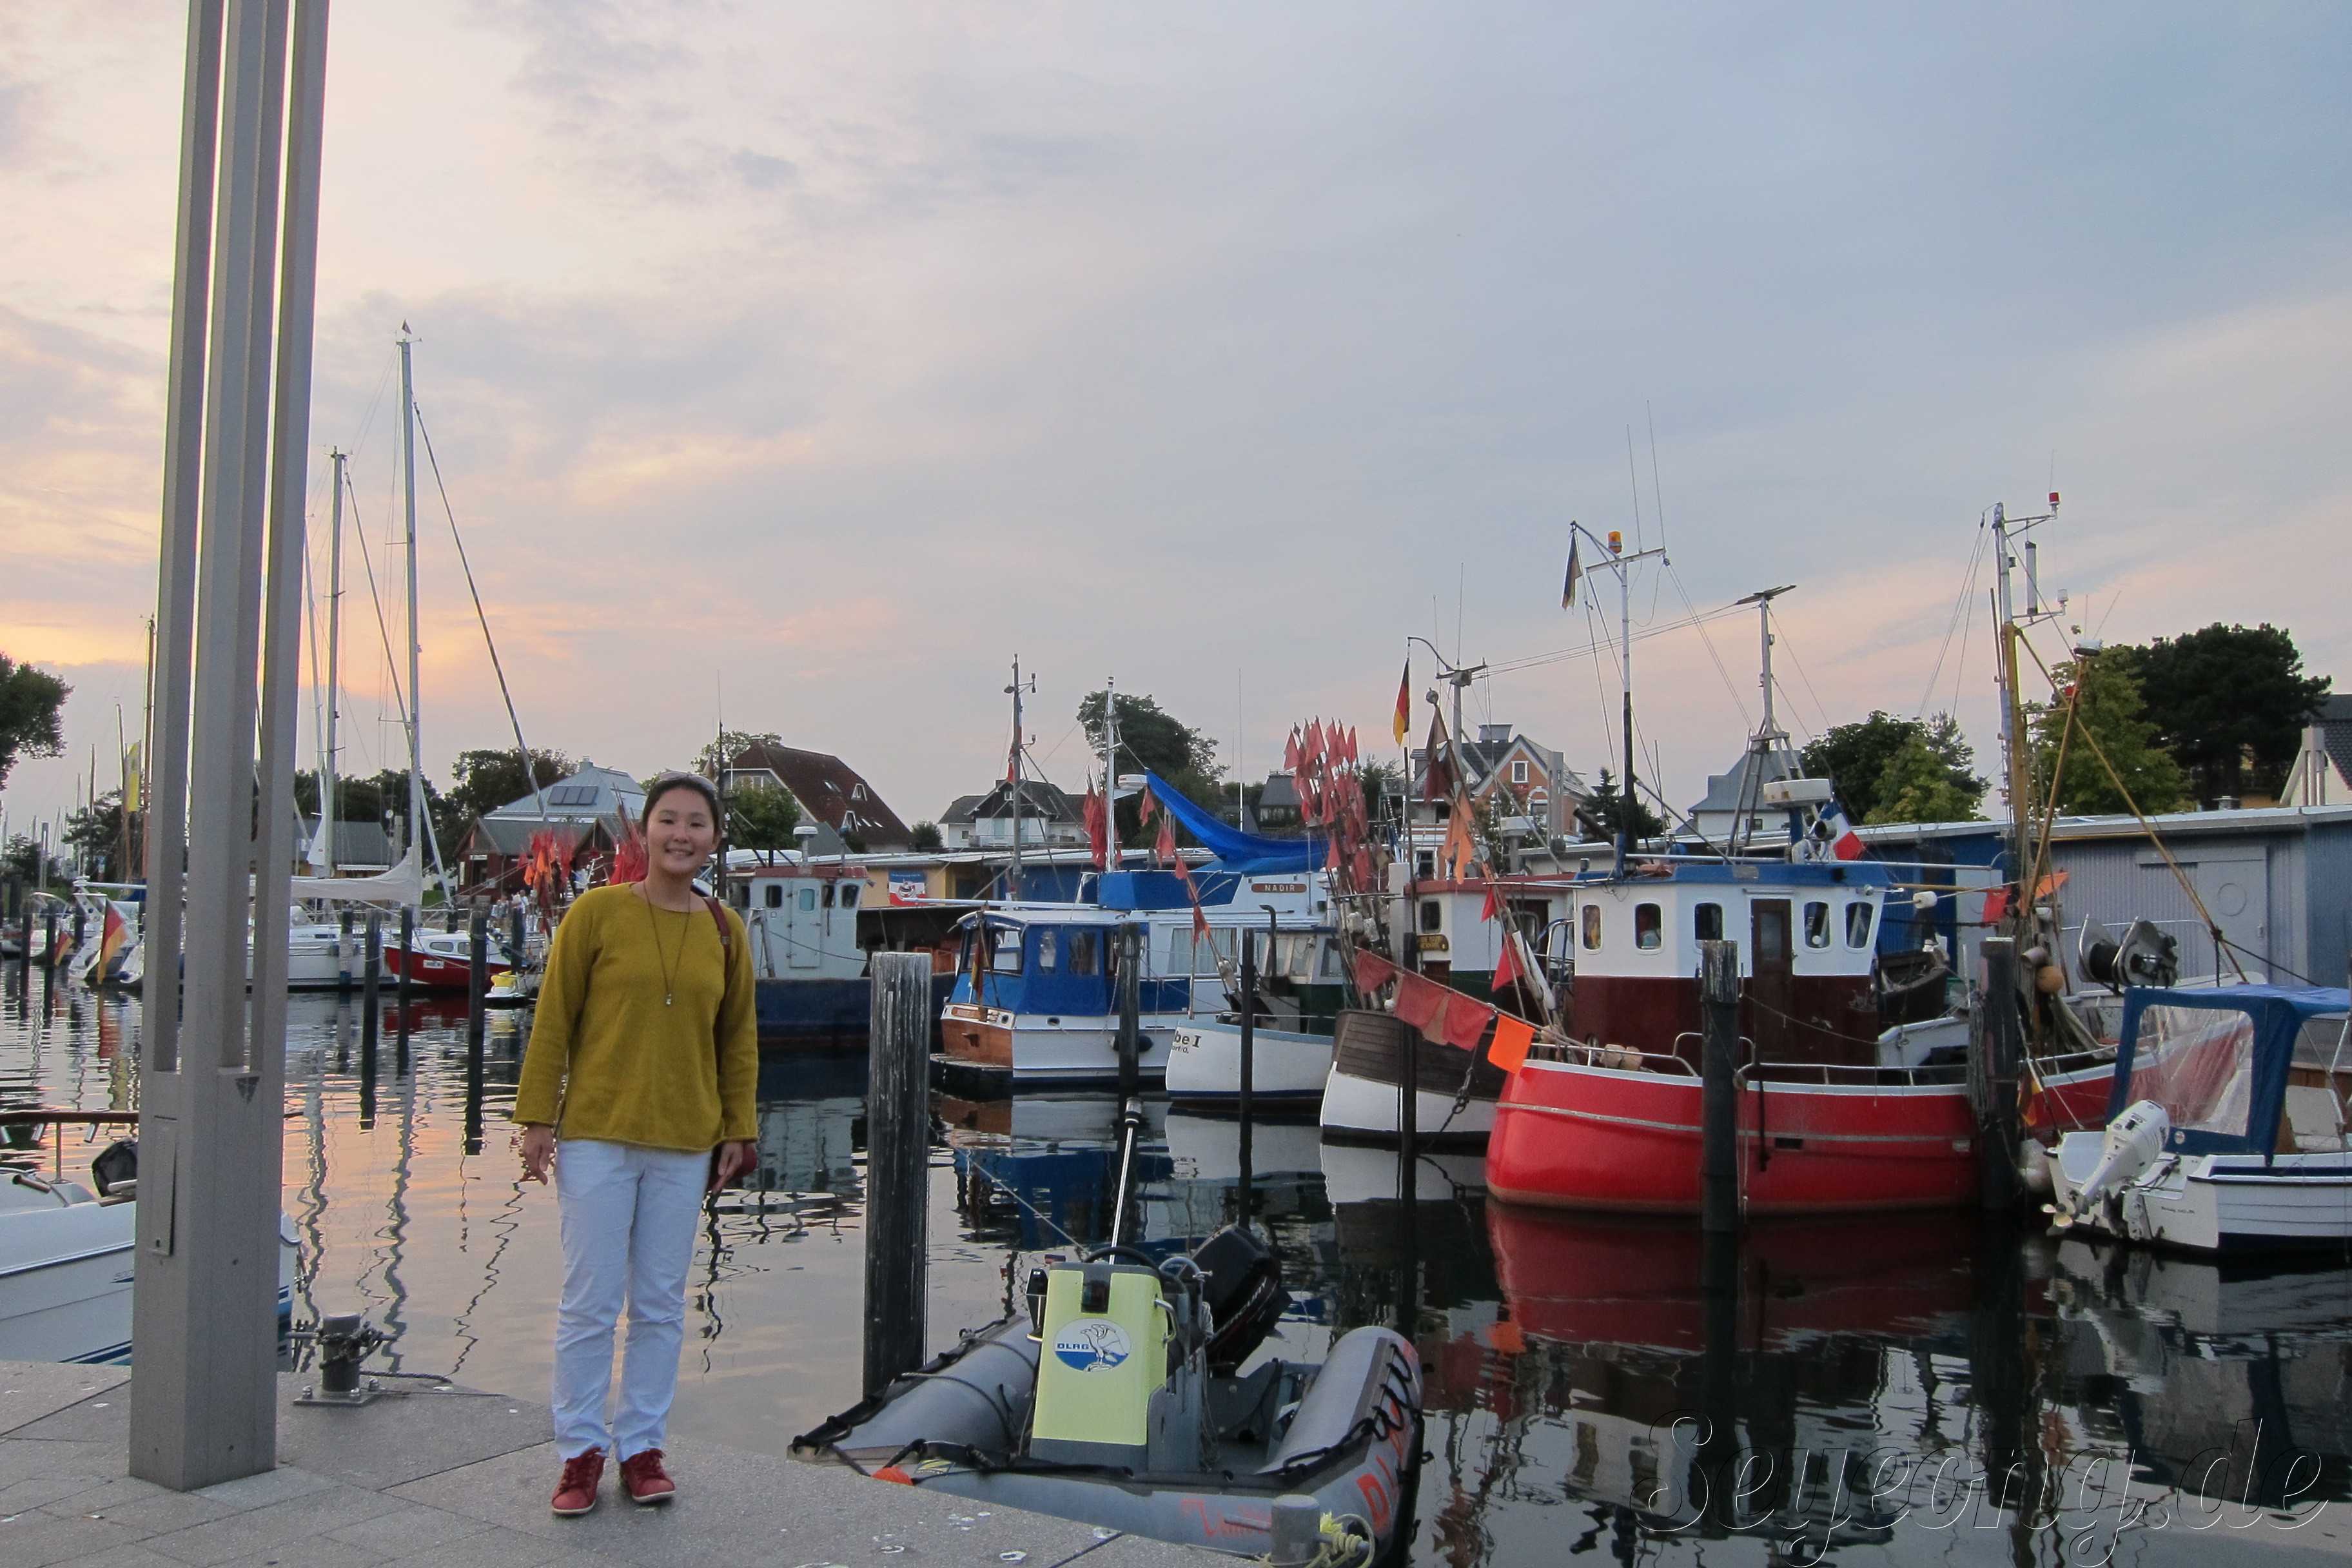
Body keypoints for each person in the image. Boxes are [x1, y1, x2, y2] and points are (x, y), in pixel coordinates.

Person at [515, 771, 758, 1516]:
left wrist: (739, 1127)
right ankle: (579, 1451)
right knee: (590, 1302)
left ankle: (642, 1447)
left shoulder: (725, 928)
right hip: (597, 1134)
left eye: (696, 823)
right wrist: (536, 1117)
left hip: (685, 1139)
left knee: (659, 1304)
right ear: (646, 831)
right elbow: (554, 1019)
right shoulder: (596, 913)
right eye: (668, 819)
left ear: (715, 838)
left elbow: (738, 1039)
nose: (681, 834)